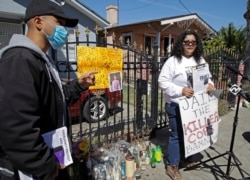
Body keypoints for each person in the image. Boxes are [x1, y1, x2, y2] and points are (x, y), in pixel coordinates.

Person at [0, 0, 97, 179]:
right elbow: (17, 130)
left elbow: (54, 102)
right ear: (38, 22)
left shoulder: (41, 60)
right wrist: (47, 167)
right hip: (34, 172)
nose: (64, 31)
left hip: (51, 161)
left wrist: (79, 85)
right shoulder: (19, 60)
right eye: (60, 23)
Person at [158, 30, 215, 180]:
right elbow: (162, 81)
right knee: (177, 135)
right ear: (181, 44)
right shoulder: (173, 61)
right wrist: (181, 90)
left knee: (190, 134)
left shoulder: (200, 60)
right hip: (176, 105)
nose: (190, 45)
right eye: (187, 42)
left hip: (195, 107)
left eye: (193, 42)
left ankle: (186, 158)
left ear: (197, 44)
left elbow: (208, 78)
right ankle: (172, 165)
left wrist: (210, 85)